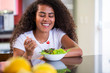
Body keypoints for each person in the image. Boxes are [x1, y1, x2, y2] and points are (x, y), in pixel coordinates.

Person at [10, 0, 83, 60]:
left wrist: (50, 55)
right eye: (42, 15)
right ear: (34, 17)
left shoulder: (57, 34)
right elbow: (16, 66)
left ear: (55, 18)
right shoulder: (22, 38)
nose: (46, 19)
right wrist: (28, 54)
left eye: (51, 16)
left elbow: (78, 51)